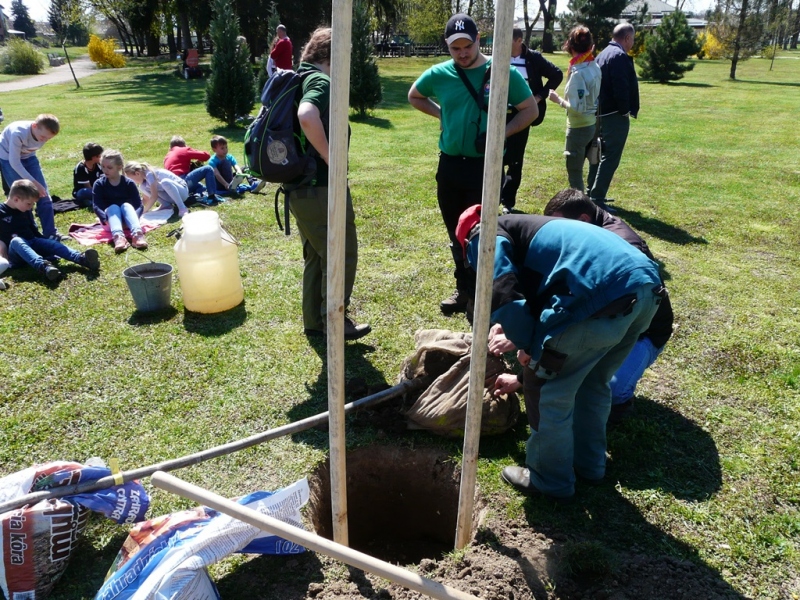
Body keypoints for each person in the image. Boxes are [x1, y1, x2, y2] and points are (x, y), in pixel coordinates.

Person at [456, 205, 664, 501]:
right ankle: (590, 466)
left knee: (549, 391)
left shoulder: (485, 234)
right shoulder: (531, 228)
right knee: (593, 382)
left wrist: (529, 346)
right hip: (645, 289)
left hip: (603, 297)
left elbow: (504, 293)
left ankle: (549, 478)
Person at [493, 188, 674, 423]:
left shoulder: (623, 246)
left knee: (601, 387)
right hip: (612, 316)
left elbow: (574, 325)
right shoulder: (590, 233)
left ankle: (616, 407)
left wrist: (527, 343)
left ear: (583, 220)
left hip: (642, 332)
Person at [408, 13, 538, 316]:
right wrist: (444, 116)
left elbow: (529, 109)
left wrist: (499, 132)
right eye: (456, 48)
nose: (463, 53)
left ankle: (484, 297)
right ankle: (464, 291)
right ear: (448, 47)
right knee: (456, 233)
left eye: (468, 45)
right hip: (451, 166)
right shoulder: (439, 74)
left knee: (480, 235)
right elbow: (414, 95)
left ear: (479, 39)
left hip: (486, 167)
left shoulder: (500, 72)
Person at [286, 26, 370, 341]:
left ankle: (314, 321)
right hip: (320, 187)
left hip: (299, 188)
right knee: (340, 252)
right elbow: (307, 115)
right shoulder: (321, 80)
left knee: (316, 254)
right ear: (331, 55)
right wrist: (332, 159)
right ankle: (333, 321)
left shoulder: (298, 76)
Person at [501, 29, 563, 213]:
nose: (503, 43)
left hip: (523, 114)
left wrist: (539, 97)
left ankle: (508, 203)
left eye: (508, 40)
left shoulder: (533, 58)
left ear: (519, 40)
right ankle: (493, 196)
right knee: (496, 156)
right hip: (500, 114)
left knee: (515, 158)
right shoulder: (498, 56)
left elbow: (556, 74)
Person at [0, 179, 100, 281]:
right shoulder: (1, 211)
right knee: (17, 241)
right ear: (16, 199)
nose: (30, 208)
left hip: (32, 242)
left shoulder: (24, 209)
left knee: (52, 244)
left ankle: (82, 259)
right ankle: (44, 267)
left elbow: (33, 229)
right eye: (29, 204)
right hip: (15, 254)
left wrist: (45, 245)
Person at [587, 23, 639, 206]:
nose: (632, 43)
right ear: (626, 38)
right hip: (613, 115)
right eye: (632, 39)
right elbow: (621, 87)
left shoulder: (603, 54)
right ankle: (597, 197)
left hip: (599, 113)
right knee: (610, 157)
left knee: (597, 152)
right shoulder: (619, 56)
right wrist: (625, 110)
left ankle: (591, 191)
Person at [547, 27, 601, 193]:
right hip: (591, 124)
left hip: (578, 128)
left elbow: (577, 109)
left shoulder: (578, 73)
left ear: (570, 47)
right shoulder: (594, 66)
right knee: (579, 169)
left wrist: (558, 100)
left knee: (574, 172)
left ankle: (579, 209)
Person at [0, 114, 64, 240]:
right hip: (8, 159)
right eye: (42, 137)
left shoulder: (42, 134)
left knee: (44, 195)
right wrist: (34, 183)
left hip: (28, 157)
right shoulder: (18, 133)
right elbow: (15, 163)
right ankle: (31, 234)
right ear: (34, 126)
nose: (43, 141)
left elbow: (30, 151)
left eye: (47, 139)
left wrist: (39, 186)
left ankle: (50, 233)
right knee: (24, 197)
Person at [93, 149, 147, 253]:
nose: (105, 170)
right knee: (113, 207)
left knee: (126, 205)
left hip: (129, 221)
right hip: (110, 223)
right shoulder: (99, 184)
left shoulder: (129, 183)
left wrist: (134, 218)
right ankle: (118, 237)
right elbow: (97, 206)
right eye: (103, 167)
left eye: (109, 167)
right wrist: (105, 220)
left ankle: (137, 234)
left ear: (119, 167)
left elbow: (139, 205)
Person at [163, 136, 222, 202]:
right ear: (184, 145)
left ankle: (195, 197)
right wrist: (191, 151)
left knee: (201, 187)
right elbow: (206, 156)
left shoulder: (167, 156)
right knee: (208, 169)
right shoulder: (183, 150)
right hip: (183, 182)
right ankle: (212, 196)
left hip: (174, 188)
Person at [123, 161, 189, 217]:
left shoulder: (149, 174)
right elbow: (146, 198)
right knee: (142, 187)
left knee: (165, 182)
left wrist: (144, 211)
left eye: (131, 179)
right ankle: (166, 205)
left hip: (182, 192)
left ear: (137, 173)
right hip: (171, 197)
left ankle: (182, 207)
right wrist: (137, 210)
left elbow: (154, 196)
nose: (132, 182)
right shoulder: (144, 182)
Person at [72, 142, 104, 208]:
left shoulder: (98, 165)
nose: (102, 158)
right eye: (100, 156)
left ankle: (91, 202)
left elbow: (103, 180)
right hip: (85, 191)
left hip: (96, 190)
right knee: (84, 192)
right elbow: (88, 187)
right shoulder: (81, 168)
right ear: (94, 157)